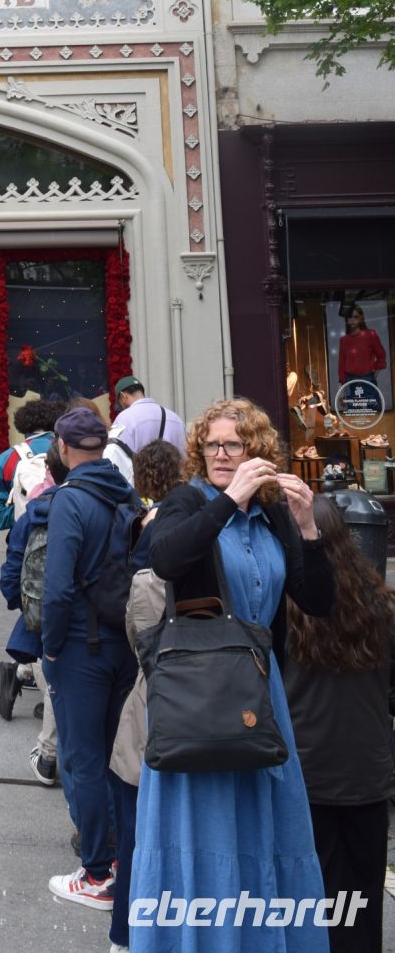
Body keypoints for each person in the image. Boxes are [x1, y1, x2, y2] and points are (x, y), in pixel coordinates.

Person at [130, 396, 334, 953]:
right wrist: (231, 496)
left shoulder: (270, 516)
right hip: (201, 692)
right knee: (205, 828)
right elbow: (166, 559)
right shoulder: (184, 503)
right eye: (213, 445)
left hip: (260, 692)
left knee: (264, 827)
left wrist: (308, 526)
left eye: (234, 445)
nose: (221, 453)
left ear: (257, 450)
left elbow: (317, 601)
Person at [284, 494, 395, 953]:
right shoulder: (381, 607)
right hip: (369, 769)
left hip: (308, 771)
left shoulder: (285, 607)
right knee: (365, 892)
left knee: (318, 895)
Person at [42, 405, 141, 912]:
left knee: (82, 760)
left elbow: (56, 589)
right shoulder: (126, 494)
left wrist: (51, 646)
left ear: (62, 447)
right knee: (118, 758)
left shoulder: (69, 501)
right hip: (123, 643)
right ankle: (124, 861)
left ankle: (98, 872)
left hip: (80, 648)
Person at [105, 439, 184, 953]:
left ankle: (128, 935)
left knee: (133, 814)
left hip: (155, 699)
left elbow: (140, 626)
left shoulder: (151, 535)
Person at [0, 439, 69, 734]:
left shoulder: (34, 514)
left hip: (42, 613)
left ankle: (19, 672)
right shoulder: (109, 502)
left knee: (53, 678)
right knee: (57, 682)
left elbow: (11, 574)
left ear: (48, 470)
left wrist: (23, 606)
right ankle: (49, 756)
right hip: (83, 618)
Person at [0, 397, 66, 533]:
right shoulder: (66, 450)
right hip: (64, 532)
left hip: (23, 541)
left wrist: (20, 515)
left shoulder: (8, 457)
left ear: (22, 426)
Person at [103, 375, 186, 488]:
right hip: (175, 489)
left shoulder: (124, 418)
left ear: (123, 396)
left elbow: (115, 456)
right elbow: (186, 458)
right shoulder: (175, 418)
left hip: (145, 493)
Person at [337, 303, 387, 389]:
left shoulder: (370, 334)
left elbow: (381, 355)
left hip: (367, 378)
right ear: (346, 320)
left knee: (371, 402)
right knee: (351, 402)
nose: (352, 320)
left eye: (355, 317)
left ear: (361, 318)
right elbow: (341, 364)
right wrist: (343, 385)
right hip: (349, 380)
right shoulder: (344, 340)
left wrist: (374, 373)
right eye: (349, 317)